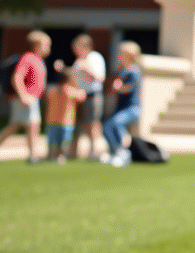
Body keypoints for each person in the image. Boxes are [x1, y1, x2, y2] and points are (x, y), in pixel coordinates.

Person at [0, 31, 49, 164]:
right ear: (36, 45)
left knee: (14, 126)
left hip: (31, 97)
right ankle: (33, 156)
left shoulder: (38, 60)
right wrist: (24, 95)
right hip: (26, 98)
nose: (48, 48)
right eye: (46, 45)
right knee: (33, 124)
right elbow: (17, 77)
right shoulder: (28, 58)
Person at [63, 33, 106, 161]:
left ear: (85, 46)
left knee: (92, 124)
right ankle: (73, 152)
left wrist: (86, 68)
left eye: (77, 47)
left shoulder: (95, 58)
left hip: (92, 96)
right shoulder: (78, 60)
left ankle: (96, 152)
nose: (74, 50)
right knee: (78, 125)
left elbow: (100, 78)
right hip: (79, 96)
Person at [103, 41, 143, 167]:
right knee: (107, 127)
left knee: (115, 124)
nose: (119, 56)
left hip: (132, 108)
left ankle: (123, 152)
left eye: (121, 54)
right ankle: (115, 152)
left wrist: (119, 88)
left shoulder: (133, 71)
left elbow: (130, 87)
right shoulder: (122, 71)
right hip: (121, 108)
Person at [43, 75, 84, 163]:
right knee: (65, 142)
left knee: (53, 142)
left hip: (52, 121)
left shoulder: (52, 91)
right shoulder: (70, 91)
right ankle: (61, 157)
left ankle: (52, 156)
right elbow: (82, 96)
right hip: (66, 121)